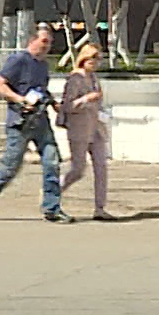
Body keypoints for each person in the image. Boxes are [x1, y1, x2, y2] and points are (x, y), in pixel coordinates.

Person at [0, 23, 71, 223]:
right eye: (44, 41)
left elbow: (40, 89)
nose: (47, 46)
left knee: (52, 162)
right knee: (11, 167)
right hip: (20, 123)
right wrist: (20, 99)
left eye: (50, 43)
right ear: (32, 40)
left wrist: (54, 103)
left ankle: (52, 208)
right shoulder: (18, 60)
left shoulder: (43, 65)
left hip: (41, 121)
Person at [58, 44, 115, 221]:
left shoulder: (94, 78)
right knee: (78, 169)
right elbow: (67, 106)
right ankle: (52, 193)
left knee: (101, 167)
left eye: (98, 59)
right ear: (84, 59)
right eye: (93, 59)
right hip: (79, 128)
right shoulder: (75, 79)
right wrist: (85, 99)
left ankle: (100, 208)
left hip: (96, 127)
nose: (96, 63)